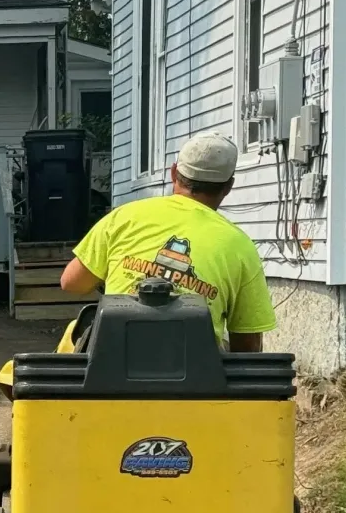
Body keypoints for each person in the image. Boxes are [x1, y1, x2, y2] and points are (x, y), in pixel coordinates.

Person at [59, 131, 277, 352]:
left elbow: (71, 283)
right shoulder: (240, 245)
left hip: (111, 365)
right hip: (197, 377)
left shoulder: (124, 217)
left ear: (174, 173)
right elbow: (248, 344)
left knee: (74, 330)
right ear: (228, 187)